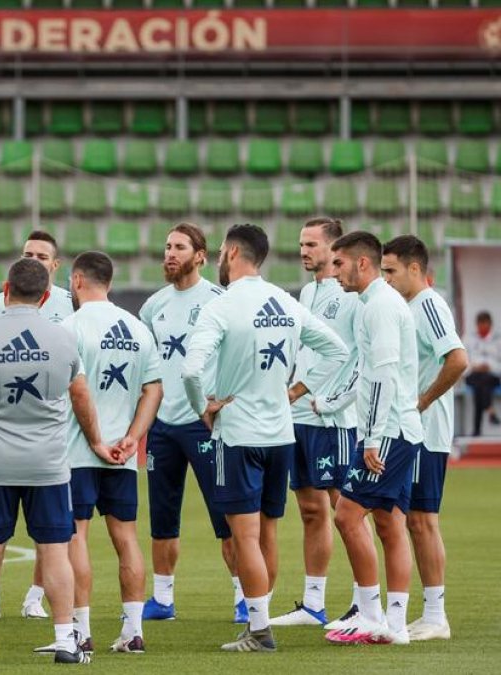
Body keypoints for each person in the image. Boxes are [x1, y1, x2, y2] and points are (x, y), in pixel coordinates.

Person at [181, 224, 348, 653]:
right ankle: (260, 619)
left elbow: (190, 369)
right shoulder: (285, 302)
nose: (219, 258)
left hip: (238, 434)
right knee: (268, 531)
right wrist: (296, 389)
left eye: (220, 251)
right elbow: (337, 352)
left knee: (246, 537)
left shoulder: (221, 306)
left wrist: (203, 408)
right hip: (281, 434)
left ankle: (259, 630)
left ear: (233, 252)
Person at [0, 258, 97, 665]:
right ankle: (66, 639)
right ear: (47, 294)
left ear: (5, 288)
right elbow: (75, 391)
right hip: (49, 462)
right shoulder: (65, 339)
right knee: (54, 550)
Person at [47, 251, 162, 656]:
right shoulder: (137, 328)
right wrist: (133, 436)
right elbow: (154, 389)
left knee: (76, 535)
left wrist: (96, 440)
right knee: (126, 538)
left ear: (77, 281)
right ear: (108, 282)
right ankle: (133, 631)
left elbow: (74, 391)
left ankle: (80, 629)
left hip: (79, 451)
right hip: (123, 453)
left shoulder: (69, 327)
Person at [0, 229, 72, 620]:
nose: (35, 259)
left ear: (55, 266)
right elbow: (74, 380)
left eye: (42, 255)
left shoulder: (68, 307)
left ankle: (21, 605)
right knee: (55, 542)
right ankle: (65, 636)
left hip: (4, 452)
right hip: (46, 449)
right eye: (29, 253)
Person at [137, 222, 240, 623]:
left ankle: (242, 596)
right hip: (163, 425)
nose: (170, 254)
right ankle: (162, 599)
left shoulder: (219, 300)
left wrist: (223, 400)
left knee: (225, 514)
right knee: (162, 517)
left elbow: (237, 353)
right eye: (166, 247)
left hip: (206, 423)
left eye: (179, 247)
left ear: (200, 255)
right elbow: (145, 366)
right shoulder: (153, 306)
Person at [324, 231, 423, 646]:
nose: (335, 272)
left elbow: (382, 375)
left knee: (346, 515)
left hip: (389, 432)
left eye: (340, 264)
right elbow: (366, 372)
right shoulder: (374, 304)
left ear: (362, 264)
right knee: (389, 522)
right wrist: (332, 401)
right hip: (401, 429)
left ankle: (369, 614)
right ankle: (395, 625)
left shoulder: (380, 307)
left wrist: (369, 438)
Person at [271, 218, 362, 629]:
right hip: (298, 417)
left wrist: (332, 402)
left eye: (311, 244)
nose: (303, 250)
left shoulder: (351, 296)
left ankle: (365, 602)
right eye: (301, 243)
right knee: (310, 509)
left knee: (347, 509)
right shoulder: (307, 292)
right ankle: (313, 605)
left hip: (334, 422)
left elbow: (359, 358)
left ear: (332, 247)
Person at [381, 235, 467, 641]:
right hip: (409, 429)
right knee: (411, 519)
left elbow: (458, 358)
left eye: (391, 271)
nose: (386, 279)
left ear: (415, 269)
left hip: (425, 432)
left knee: (422, 520)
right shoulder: (406, 306)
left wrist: (422, 402)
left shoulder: (429, 304)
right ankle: (425, 611)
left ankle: (436, 615)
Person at [464, 311, 501, 436]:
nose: (482, 327)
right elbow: (463, 360)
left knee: (480, 386)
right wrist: (475, 367)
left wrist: (490, 367)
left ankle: (476, 429)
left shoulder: (498, 340)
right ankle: (490, 410)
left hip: (492, 374)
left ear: (490, 325)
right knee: (480, 382)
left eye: (485, 324)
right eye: (480, 324)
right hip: (473, 373)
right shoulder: (468, 339)